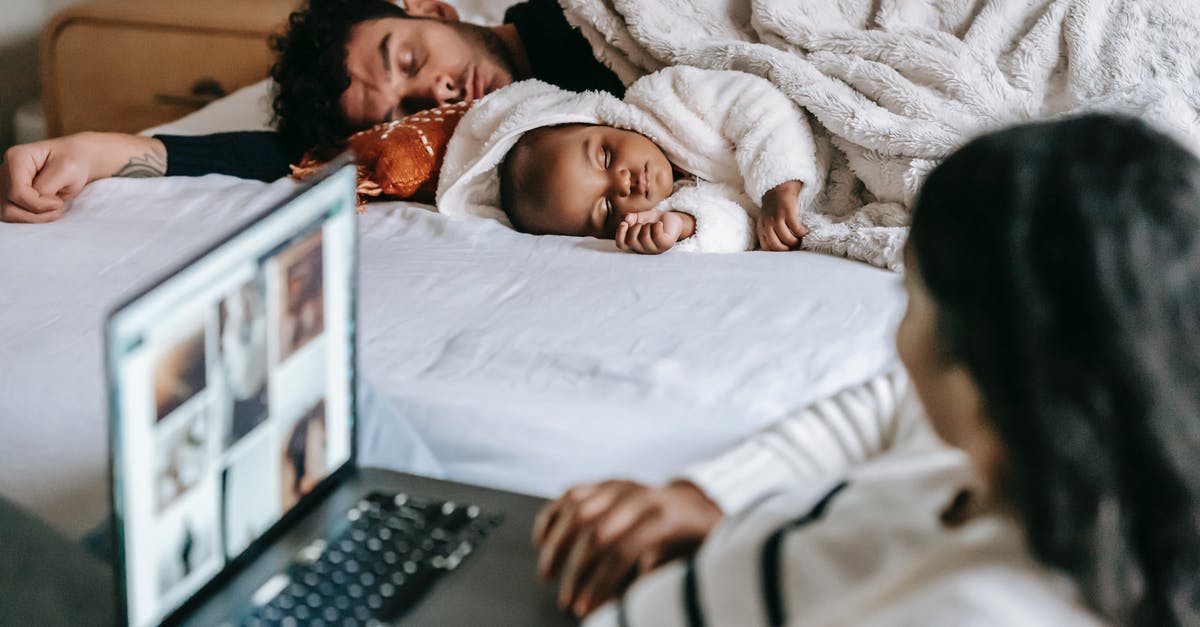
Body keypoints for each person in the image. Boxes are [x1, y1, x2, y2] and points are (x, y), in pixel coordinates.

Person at [532, 114, 1200, 625]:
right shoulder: (1029, 445)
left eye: (911, 300)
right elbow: (885, 405)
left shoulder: (975, 604)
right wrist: (709, 495)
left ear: (978, 362)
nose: (897, 342)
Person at [0, 0, 625, 224]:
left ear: (434, 11)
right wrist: (93, 151)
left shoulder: (578, 21)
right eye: (405, 108)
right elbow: (298, 161)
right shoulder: (488, 142)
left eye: (408, 60)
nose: (438, 92)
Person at [439, 65, 820, 252]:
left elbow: (758, 105)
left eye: (604, 156)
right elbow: (742, 227)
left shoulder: (668, 98)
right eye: (605, 208)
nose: (622, 183)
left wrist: (780, 188)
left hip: (814, 142)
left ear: (602, 119)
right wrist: (685, 226)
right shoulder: (666, 212)